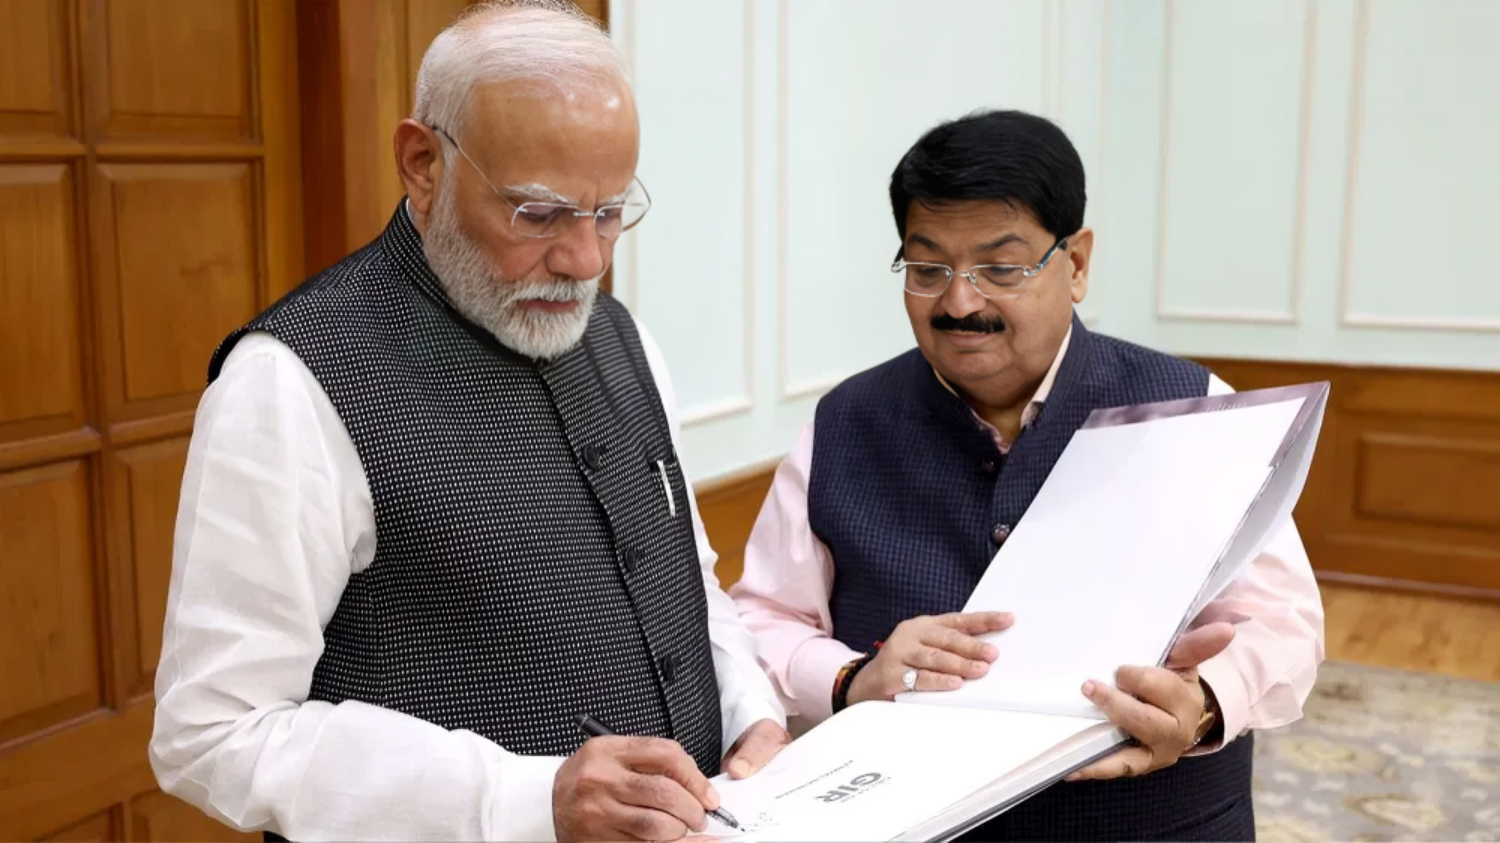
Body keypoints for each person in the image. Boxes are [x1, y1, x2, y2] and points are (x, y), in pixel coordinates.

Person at [149, 2, 787, 840]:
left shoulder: (623, 334)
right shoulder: (288, 381)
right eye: (537, 213)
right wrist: (528, 801)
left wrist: (750, 711)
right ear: (421, 162)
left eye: (607, 212)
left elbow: (682, 575)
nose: (585, 259)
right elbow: (211, 732)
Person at [730, 109, 1324, 841]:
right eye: (928, 269)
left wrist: (1203, 702)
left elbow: (1285, 621)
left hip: (1158, 822)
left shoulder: (1192, 405)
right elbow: (761, 617)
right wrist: (854, 678)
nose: (959, 302)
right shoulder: (844, 422)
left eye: (1000, 269)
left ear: (1075, 264)